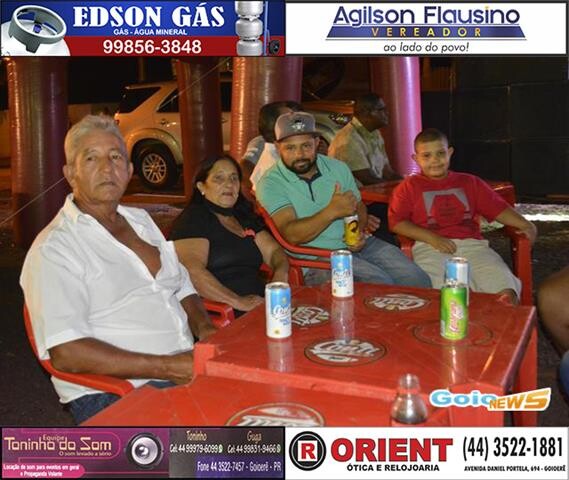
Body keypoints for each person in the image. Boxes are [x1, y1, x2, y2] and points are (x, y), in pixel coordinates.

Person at [20, 115, 215, 424]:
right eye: (91, 158)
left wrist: (205, 329)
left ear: (130, 170)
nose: (106, 168)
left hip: (185, 368)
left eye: (115, 157)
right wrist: (170, 366)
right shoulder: (55, 248)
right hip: (115, 391)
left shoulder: (140, 220)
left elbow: (181, 284)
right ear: (70, 174)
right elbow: (67, 352)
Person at [256, 111, 431, 288]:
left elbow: (359, 207)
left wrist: (358, 233)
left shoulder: (337, 168)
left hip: (359, 246)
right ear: (278, 147)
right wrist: (331, 212)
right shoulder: (270, 183)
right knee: (379, 286)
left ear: (317, 142)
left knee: (417, 279)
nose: (299, 154)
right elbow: (291, 235)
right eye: (290, 148)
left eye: (306, 146)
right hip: (316, 258)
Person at [389, 128, 537, 304]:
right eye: (426, 156)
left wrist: (526, 224)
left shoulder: (469, 182)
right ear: (415, 158)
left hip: (473, 246)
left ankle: (501, 319)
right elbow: (397, 222)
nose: (434, 160)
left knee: (504, 289)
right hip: (430, 248)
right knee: (443, 295)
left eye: (440, 153)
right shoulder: (407, 187)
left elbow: (498, 209)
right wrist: (432, 238)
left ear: (450, 153)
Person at [169, 155, 289, 315]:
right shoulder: (194, 219)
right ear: (201, 186)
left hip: (259, 304)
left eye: (234, 178)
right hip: (222, 312)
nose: (229, 184)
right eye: (219, 178)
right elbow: (192, 271)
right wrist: (237, 302)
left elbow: (274, 252)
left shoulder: (243, 216)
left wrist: (280, 274)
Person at [328, 93, 401, 244]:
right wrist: (400, 194)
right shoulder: (348, 139)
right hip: (356, 205)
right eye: (381, 110)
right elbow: (368, 181)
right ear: (365, 113)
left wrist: (408, 185)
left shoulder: (373, 132)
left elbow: (387, 172)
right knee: (400, 214)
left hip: (370, 199)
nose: (387, 113)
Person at [242, 100, 302, 193]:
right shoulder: (276, 166)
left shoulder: (280, 156)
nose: (298, 122)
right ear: (276, 127)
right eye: (289, 119)